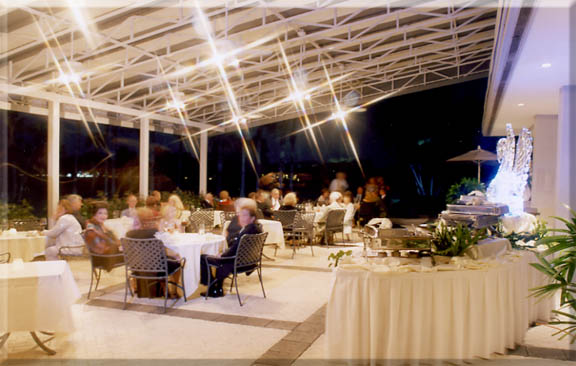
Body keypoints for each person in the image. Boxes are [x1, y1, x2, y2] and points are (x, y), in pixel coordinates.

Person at [200, 206, 262, 297]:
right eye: (240, 215)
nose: (241, 217)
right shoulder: (256, 228)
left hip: (236, 263)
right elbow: (238, 247)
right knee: (220, 254)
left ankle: (212, 286)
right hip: (249, 262)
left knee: (203, 257)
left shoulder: (247, 231)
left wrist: (222, 256)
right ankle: (217, 286)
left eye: (244, 215)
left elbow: (234, 250)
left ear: (252, 218)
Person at [126, 208, 184, 299]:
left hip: (137, 268)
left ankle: (142, 287)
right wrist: (176, 256)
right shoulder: (156, 233)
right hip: (157, 269)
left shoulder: (129, 234)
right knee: (176, 261)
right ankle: (174, 291)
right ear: (149, 220)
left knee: (161, 260)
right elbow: (163, 252)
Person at [84, 202, 124, 271]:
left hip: (108, 255)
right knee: (134, 255)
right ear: (94, 214)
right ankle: (139, 279)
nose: (103, 216)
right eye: (100, 213)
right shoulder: (91, 228)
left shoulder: (101, 225)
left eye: (105, 213)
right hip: (103, 258)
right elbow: (100, 248)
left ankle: (138, 278)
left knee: (134, 252)